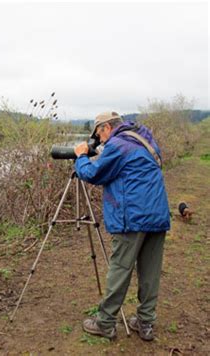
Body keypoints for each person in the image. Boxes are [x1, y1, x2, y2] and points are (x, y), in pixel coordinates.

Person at [73, 111, 170, 341]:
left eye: (99, 134)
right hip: (157, 214)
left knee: (120, 269)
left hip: (133, 217)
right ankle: (145, 323)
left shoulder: (117, 144)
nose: (100, 139)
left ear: (107, 127)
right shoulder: (144, 139)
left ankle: (105, 322)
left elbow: (93, 173)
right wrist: (100, 152)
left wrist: (81, 156)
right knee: (150, 272)